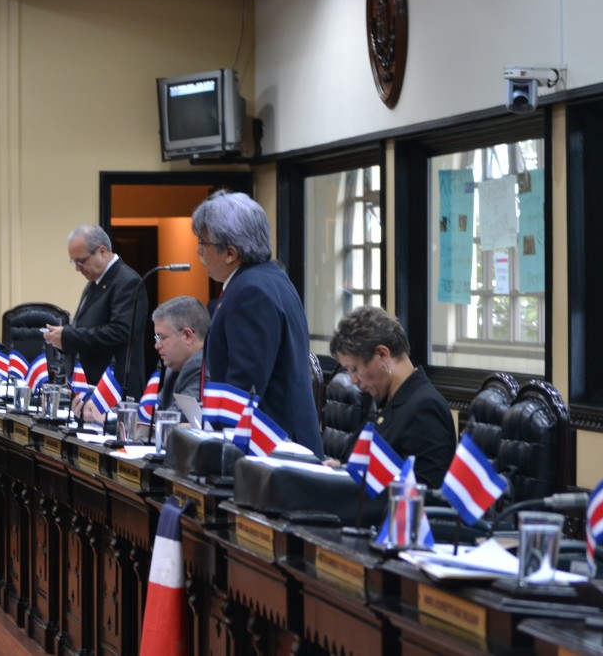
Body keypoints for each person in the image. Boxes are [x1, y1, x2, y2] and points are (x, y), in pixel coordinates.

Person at [192, 191, 323, 458]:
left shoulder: (250, 293)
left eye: (202, 242)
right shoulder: (271, 277)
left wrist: (215, 446)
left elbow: (244, 386)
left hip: (272, 453)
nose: (198, 251)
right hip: (280, 444)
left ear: (230, 253)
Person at [328, 305, 456, 489]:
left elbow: (422, 496)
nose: (353, 380)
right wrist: (341, 470)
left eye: (354, 369)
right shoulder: (386, 402)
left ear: (382, 354)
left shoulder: (425, 408)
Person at [43, 224, 148, 400]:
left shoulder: (127, 282)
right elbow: (88, 326)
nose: (77, 268)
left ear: (102, 251)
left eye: (81, 261)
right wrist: (63, 341)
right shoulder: (97, 281)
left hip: (115, 388)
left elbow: (120, 333)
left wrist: (69, 336)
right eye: (73, 262)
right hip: (91, 387)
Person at [72, 295, 209, 424]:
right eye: (156, 338)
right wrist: (101, 411)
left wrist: (109, 419)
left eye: (162, 337)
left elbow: (172, 420)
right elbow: (150, 412)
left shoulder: (202, 367)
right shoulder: (175, 368)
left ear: (187, 336)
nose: (157, 345)